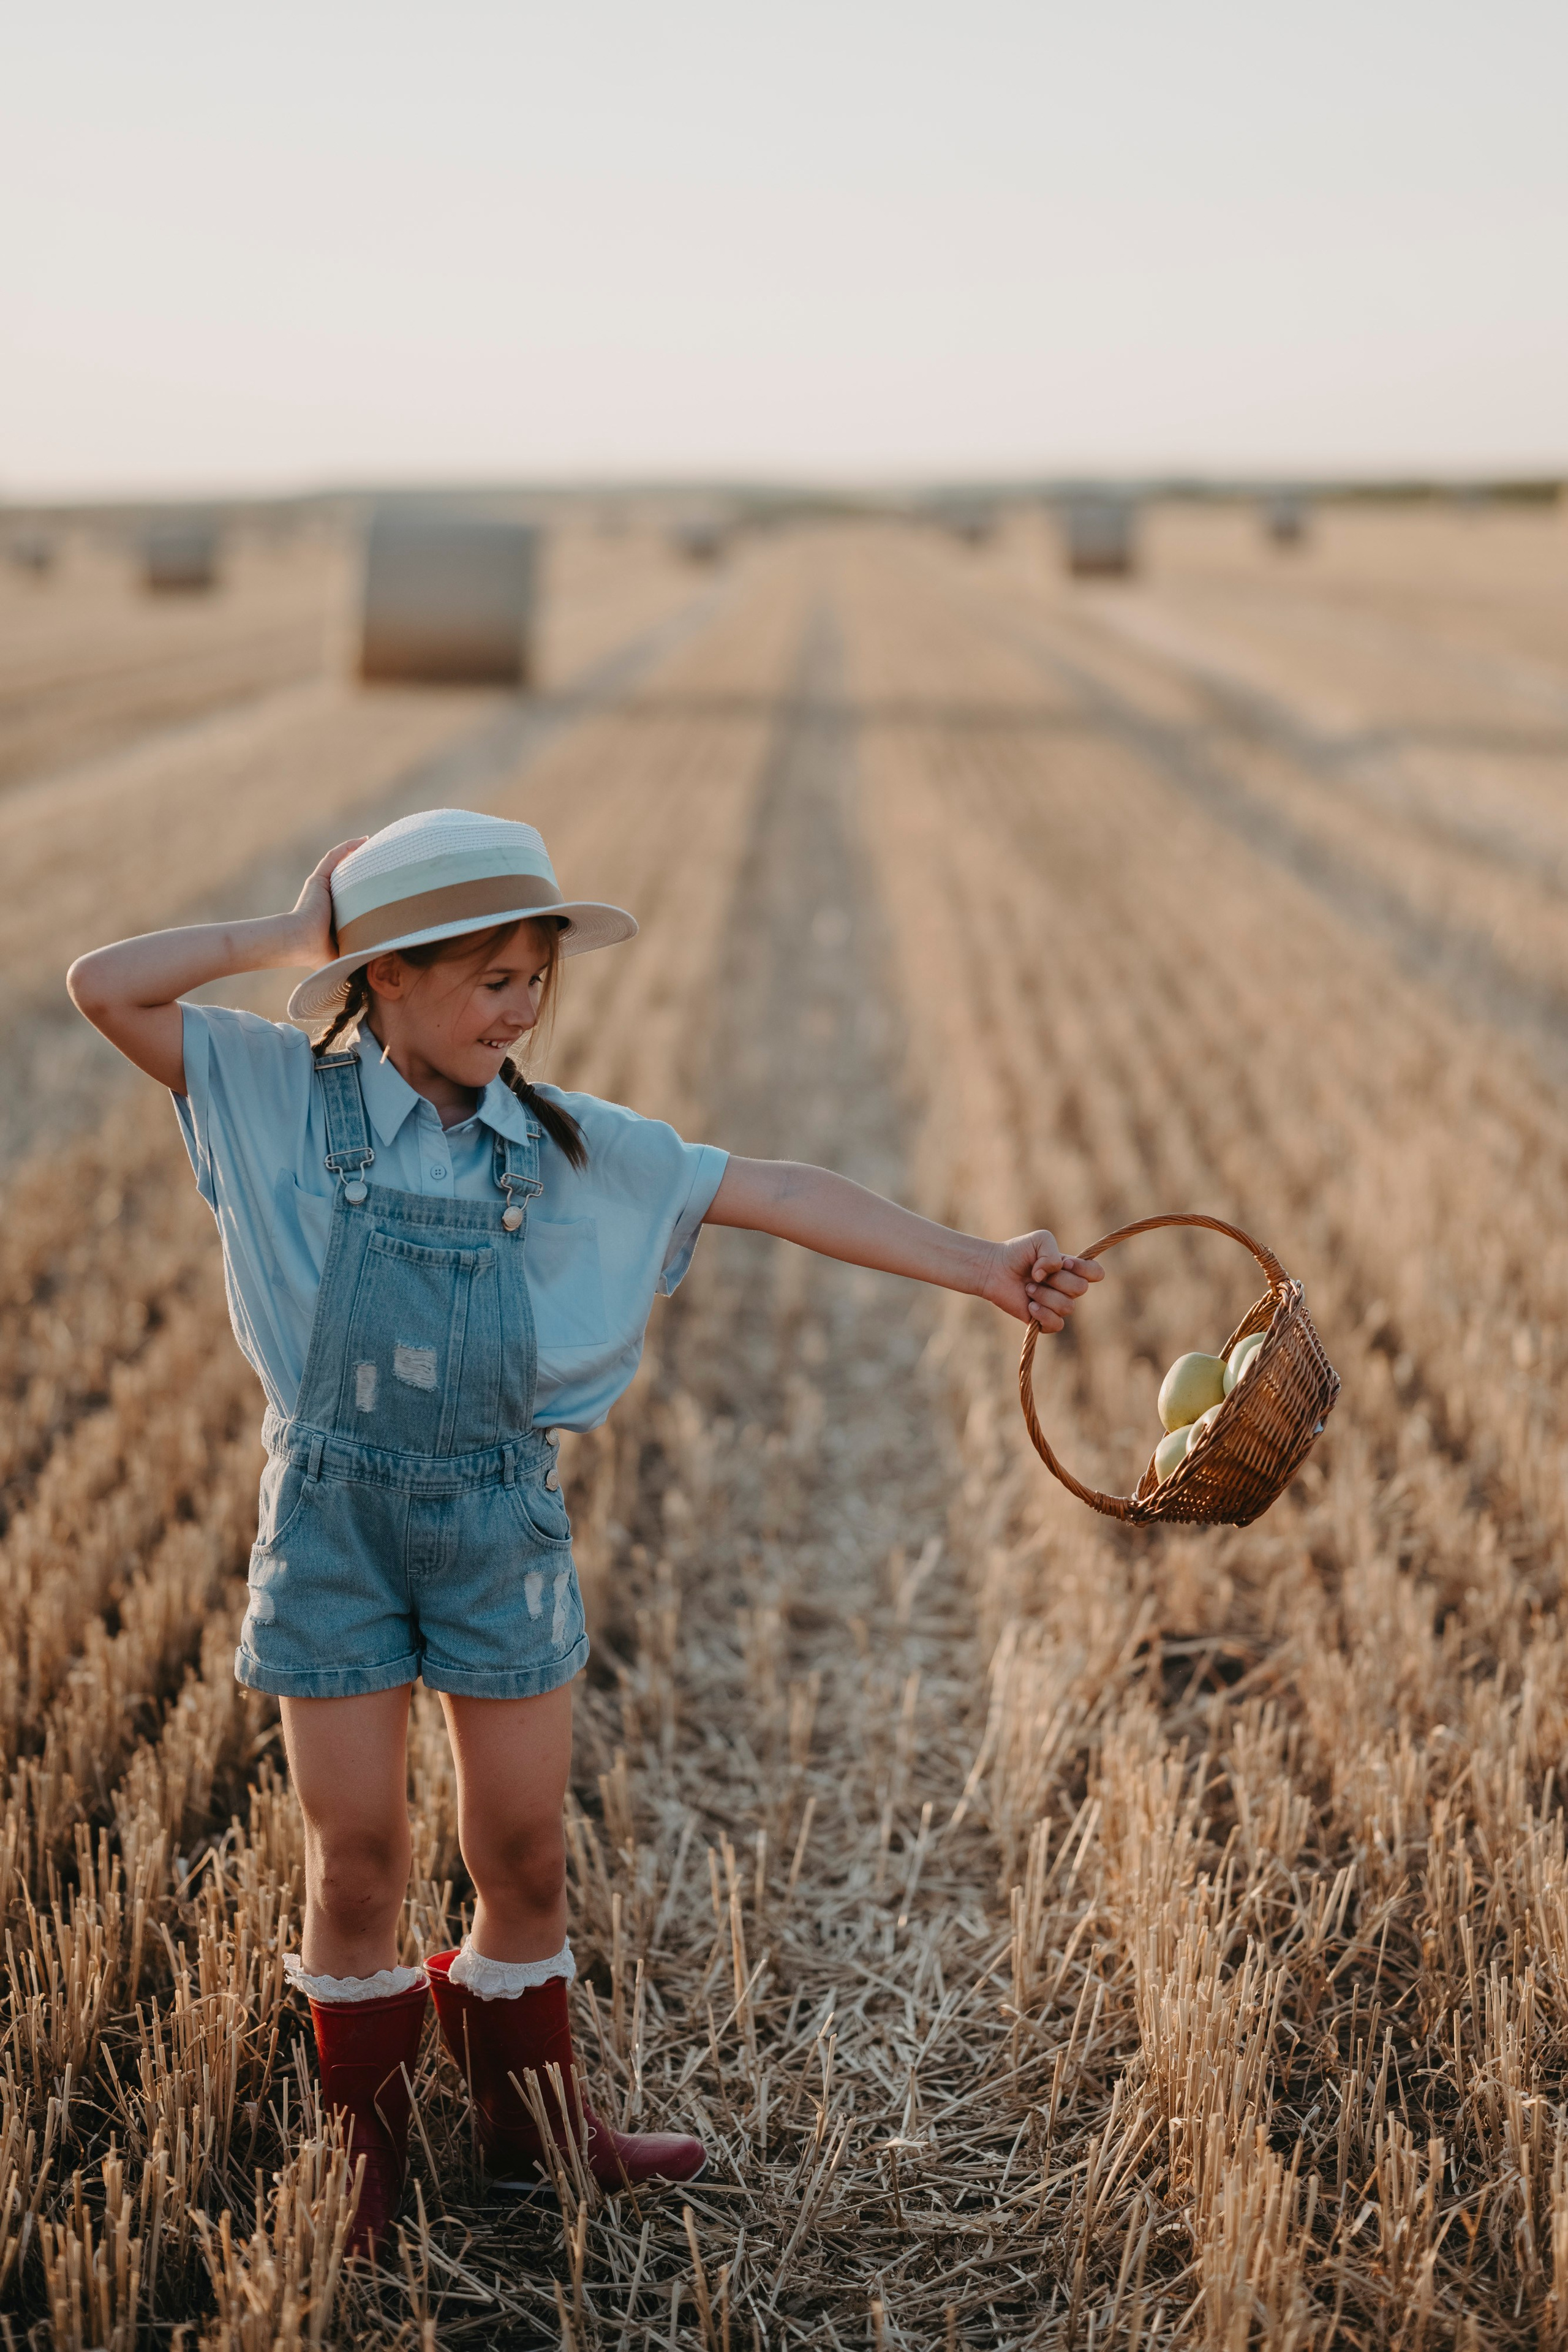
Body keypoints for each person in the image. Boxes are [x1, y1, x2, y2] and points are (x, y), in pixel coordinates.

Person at [67, 805, 1101, 2252]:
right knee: (355, 1859)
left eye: (536, 977)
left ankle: (534, 2128)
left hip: (498, 1522)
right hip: (330, 1526)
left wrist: (978, 1264)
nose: (523, 1006)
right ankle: (357, 2147)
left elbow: (778, 1191)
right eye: (490, 976)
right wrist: (283, 941)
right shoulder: (267, 1095)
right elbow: (102, 985)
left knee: (526, 1851)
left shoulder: (559, 1146)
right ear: (386, 977)